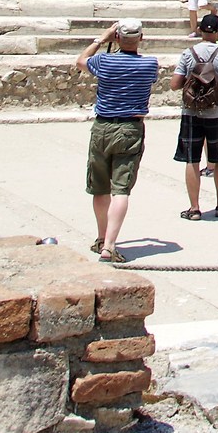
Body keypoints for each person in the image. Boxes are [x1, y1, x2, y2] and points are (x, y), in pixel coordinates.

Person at [77, 19, 160, 260]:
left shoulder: (104, 60)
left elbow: (80, 61)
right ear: (141, 38)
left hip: (102, 126)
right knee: (120, 189)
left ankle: (102, 237)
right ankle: (109, 245)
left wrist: (100, 40)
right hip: (130, 128)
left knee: (99, 188)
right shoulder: (149, 65)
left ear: (117, 38)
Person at [173, 11, 218, 220]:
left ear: (200, 30)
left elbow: (175, 84)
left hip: (191, 113)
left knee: (192, 160)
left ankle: (194, 208)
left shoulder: (188, 53)